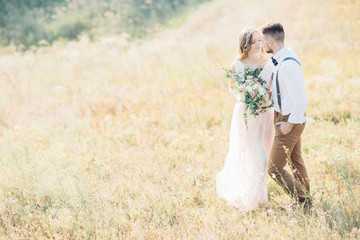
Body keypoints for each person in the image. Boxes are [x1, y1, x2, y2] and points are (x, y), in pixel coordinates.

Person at [216, 27, 274, 211]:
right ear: (245, 44)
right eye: (253, 42)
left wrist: (266, 95)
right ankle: (250, 200)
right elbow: (232, 88)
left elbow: (273, 88)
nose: (258, 45)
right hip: (247, 115)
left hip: (266, 114)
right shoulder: (237, 65)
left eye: (259, 41)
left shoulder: (269, 63)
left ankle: (260, 194)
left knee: (267, 154)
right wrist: (245, 95)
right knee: (259, 158)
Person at [260, 22, 312, 212]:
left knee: (273, 168)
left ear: (271, 42)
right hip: (285, 114)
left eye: (264, 42)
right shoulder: (283, 57)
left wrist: (289, 123)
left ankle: (303, 200)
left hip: (290, 118)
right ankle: (306, 200)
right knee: (295, 159)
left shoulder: (288, 64)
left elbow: (301, 100)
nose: (262, 46)